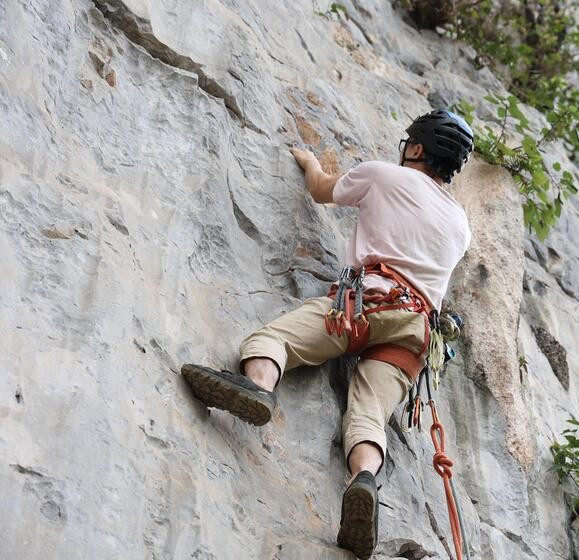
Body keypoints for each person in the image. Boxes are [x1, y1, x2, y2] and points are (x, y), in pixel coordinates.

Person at [181, 109, 473, 559]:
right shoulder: (461, 225)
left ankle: (258, 387)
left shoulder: (383, 176)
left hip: (368, 303)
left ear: (416, 148)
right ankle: (363, 479)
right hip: (415, 333)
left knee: (276, 339)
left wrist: (309, 162)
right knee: (370, 414)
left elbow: (321, 191)